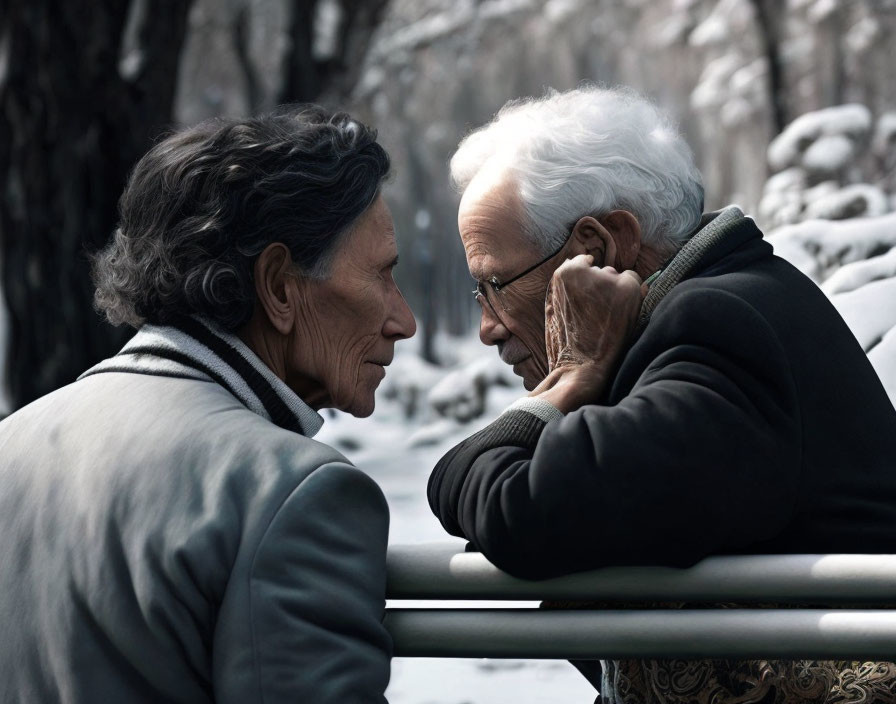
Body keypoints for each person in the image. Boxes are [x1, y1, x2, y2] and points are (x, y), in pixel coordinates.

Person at [427, 86, 896, 703]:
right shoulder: (723, 304)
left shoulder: (717, 323)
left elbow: (521, 511)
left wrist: (572, 376)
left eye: (494, 284)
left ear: (596, 250)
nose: (488, 326)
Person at [0, 106, 416, 703]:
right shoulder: (290, 491)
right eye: (382, 277)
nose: (405, 320)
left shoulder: (10, 443)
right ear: (278, 286)